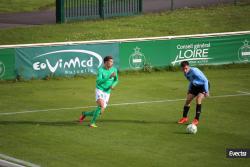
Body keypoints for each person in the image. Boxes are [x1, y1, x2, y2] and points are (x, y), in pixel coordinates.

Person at [79, 56, 118, 128]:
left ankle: (85, 114)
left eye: (112, 61)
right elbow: (98, 82)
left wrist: (113, 85)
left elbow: (116, 80)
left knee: (100, 112)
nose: (112, 63)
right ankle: (92, 123)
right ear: (106, 62)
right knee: (101, 106)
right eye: (110, 61)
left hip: (107, 92)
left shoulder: (114, 69)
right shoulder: (101, 70)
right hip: (100, 90)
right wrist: (109, 77)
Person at [178, 61, 209, 125]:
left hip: (203, 85)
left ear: (188, 66)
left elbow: (205, 80)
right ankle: (184, 118)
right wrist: (189, 89)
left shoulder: (195, 71)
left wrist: (206, 91)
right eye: (183, 69)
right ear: (181, 68)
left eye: (186, 68)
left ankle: (196, 119)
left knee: (198, 99)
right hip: (195, 86)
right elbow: (191, 81)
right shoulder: (185, 73)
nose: (185, 70)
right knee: (188, 100)